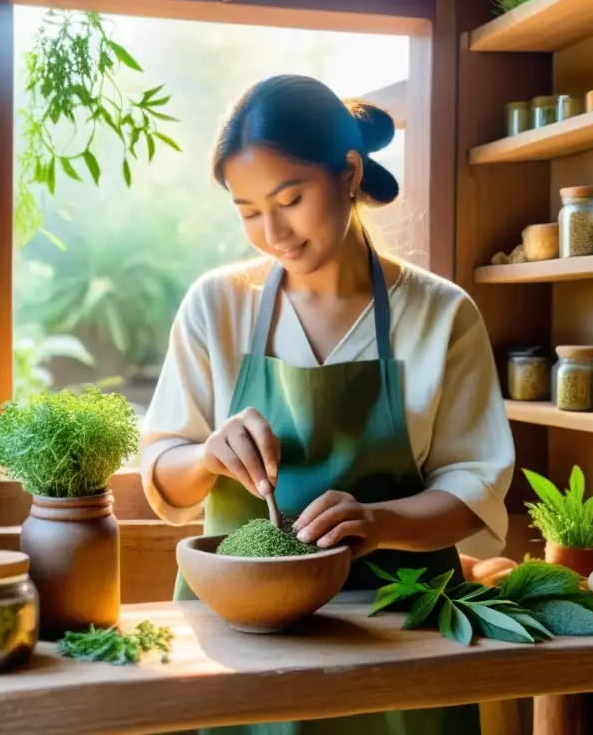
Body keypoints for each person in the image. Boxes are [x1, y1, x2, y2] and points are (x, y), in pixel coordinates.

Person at [140, 74, 515, 734]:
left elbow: (474, 486)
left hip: (399, 626)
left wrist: (380, 521)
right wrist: (206, 455)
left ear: (347, 174)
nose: (273, 232)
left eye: (290, 198)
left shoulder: (440, 314)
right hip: (241, 633)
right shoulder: (217, 306)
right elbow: (164, 473)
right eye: (248, 210)